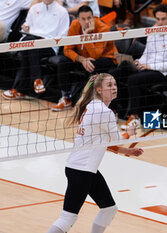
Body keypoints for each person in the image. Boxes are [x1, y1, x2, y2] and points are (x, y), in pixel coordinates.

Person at [47, 73, 144, 233]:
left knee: (109, 209)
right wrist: (130, 131)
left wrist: (127, 151)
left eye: (115, 85)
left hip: (85, 169)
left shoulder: (93, 106)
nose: (114, 88)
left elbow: (104, 142)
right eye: (109, 85)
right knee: (67, 218)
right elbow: (117, 139)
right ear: (99, 90)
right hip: (81, 170)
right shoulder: (103, 112)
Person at [121, 4, 167, 129]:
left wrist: (149, 66)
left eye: (163, 19)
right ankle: (114, 110)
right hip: (148, 68)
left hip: (164, 74)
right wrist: (139, 62)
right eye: (158, 19)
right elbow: (146, 55)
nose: (160, 23)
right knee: (119, 71)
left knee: (134, 80)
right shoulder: (152, 33)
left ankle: (135, 117)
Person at [51, 5, 118, 111]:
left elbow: (96, 55)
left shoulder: (103, 28)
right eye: (83, 19)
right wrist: (81, 59)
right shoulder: (74, 25)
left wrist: (87, 35)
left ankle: (90, 103)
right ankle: (66, 98)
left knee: (92, 65)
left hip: (107, 58)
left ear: (93, 17)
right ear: (78, 19)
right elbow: (67, 49)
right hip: (85, 57)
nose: (87, 21)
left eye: (89, 18)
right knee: (63, 61)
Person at [1, 0, 69, 100]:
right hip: (32, 42)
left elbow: (63, 36)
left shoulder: (62, 12)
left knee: (29, 47)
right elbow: (26, 26)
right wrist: (26, 29)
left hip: (49, 45)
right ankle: (36, 80)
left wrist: (47, 40)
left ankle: (20, 89)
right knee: (30, 45)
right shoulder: (34, 8)